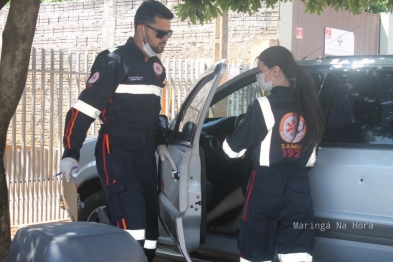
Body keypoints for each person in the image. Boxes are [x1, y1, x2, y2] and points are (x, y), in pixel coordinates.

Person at [59, 1, 175, 261]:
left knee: (150, 238)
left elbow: (153, 114)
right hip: (118, 155)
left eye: (169, 33)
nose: (166, 39)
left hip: (145, 158)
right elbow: (83, 109)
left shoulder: (156, 69)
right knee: (131, 235)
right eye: (161, 33)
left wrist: (160, 141)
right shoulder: (114, 62)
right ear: (141, 29)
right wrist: (71, 151)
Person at [223, 46, 325, 262]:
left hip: (266, 188)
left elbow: (233, 151)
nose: (259, 77)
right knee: (297, 254)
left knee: (255, 252)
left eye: (260, 71)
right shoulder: (311, 106)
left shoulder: (263, 106)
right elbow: (312, 157)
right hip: (299, 189)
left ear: (276, 71)